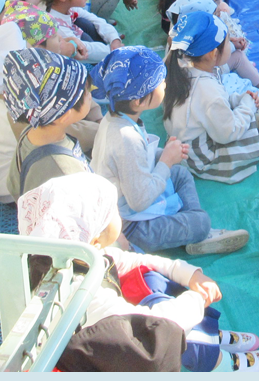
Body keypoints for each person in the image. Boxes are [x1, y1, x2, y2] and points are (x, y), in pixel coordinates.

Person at [18, 173, 259, 372]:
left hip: (110, 336)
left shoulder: (74, 255)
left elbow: (137, 261)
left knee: (153, 278)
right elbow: (154, 324)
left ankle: (206, 335)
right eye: (111, 211)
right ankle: (217, 364)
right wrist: (197, 299)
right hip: (110, 356)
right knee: (176, 325)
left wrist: (188, 274)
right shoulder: (82, 294)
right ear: (93, 234)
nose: (118, 214)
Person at [90, 47, 250, 255]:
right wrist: (165, 161)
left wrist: (162, 154)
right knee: (201, 223)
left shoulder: (115, 119)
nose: (165, 84)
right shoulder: (126, 138)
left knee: (180, 173)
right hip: (130, 227)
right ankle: (199, 233)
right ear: (138, 100)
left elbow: (133, 162)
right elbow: (139, 201)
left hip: (131, 197)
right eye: (159, 82)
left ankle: (184, 224)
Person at [162, 12, 259, 184]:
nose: (231, 45)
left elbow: (206, 107)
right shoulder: (207, 89)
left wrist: (238, 100)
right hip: (202, 159)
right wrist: (248, 105)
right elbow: (228, 132)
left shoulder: (181, 65)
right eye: (228, 41)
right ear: (213, 53)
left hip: (183, 144)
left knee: (248, 112)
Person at [3, 48, 96, 200]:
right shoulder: (66, 172)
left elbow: (13, 186)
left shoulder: (29, 133)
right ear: (64, 115)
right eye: (87, 93)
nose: (91, 96)